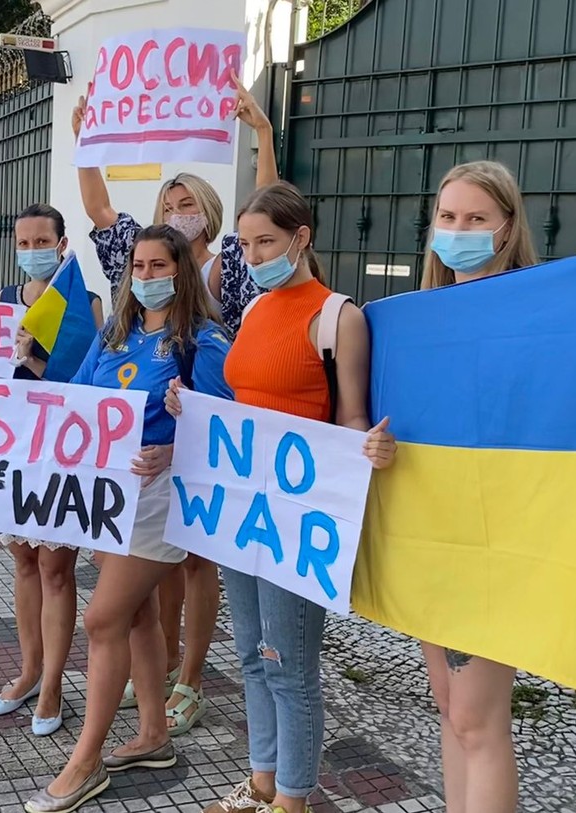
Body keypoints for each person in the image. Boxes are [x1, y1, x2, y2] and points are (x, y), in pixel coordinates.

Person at [0, 224, 231, 812]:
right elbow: (75, 403)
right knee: (135, 614)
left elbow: (227, 434)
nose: (146, 277)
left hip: (162, 500)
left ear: (182, 272)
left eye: (159, 266)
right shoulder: (115, 334)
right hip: (109, 501)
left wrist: (177, 442)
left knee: (101, 619)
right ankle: (153, 736)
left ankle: (86, 760)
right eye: (138, 266)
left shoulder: (204, 342)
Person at [165, 180, 396, 813]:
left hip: (297, 515)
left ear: (301, 238)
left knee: (288, 664)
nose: (256, 253)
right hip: (242, 509)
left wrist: (369, 449)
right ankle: (261, 782)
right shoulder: (258, 311)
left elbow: (350, 417)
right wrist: (191, 410)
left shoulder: (338, 317)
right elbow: (247, 403)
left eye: (266, 240)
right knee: (249, 654)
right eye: (246, 242)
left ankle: (291, 801)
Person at [71, 72, 277, 736]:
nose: (178, 207)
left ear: (210, 211)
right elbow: (102, 212)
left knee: (194, 564)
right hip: (141, 459)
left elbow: (272, 209)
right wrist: (87, 142)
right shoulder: (139, 275)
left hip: (207, 427)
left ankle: (187, 678)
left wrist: (263, 135)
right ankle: (153, 684)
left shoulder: (235, 266)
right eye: (169, 199)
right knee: (147, 580)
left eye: (188, 200)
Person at [416, 160, 539, 813]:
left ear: (507, 227)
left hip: (498, 540)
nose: (458, 230)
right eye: (448, 216)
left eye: (475, 218)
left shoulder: (539, 317)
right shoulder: (420, 319)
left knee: (477, 720)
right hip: (432, 535)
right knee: (449, 708)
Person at [0, 203, 104, 736]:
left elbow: (91, 381)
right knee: (23, 562)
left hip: (63, 452)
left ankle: (53, 684)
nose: (31, 251)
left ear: (62, 243)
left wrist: (35, 363)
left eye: (40, 241)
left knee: (56, 568)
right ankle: (28, 670)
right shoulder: (2, 304)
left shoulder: (87, 304)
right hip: (12, 450)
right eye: (22, 242)